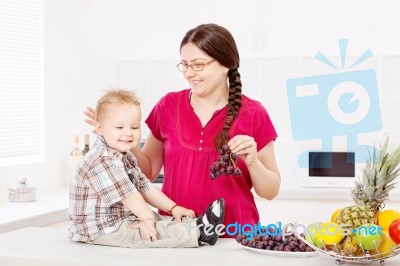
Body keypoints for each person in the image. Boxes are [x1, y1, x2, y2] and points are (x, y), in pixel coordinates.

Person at [84, 23, 280, 237]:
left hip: (236, 236)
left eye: (198, 65)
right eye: (184, 64)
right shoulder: (168, 105)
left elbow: (270, 191)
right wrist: (119, 137)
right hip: (176, 234)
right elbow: (148, 172)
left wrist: (252, 162)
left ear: (226, 64)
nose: (189, 73)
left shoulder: (254, 113)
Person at [70, 89, 225, 248]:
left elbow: (145, 187)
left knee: (159, 218)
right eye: (119, 127)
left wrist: (173, 208)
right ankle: (199, 233)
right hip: (100, 228)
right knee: (148, 231)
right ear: (99, 128)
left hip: (120, 219)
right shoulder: (102, 159)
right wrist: (146, 220)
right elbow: (129, 196)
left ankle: (193, 223)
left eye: (135, 127)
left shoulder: (125, 156)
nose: (128, 133)